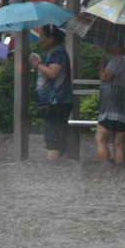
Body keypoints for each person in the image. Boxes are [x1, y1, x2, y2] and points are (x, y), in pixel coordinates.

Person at [29, 25, 73, 160]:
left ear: (51, 38)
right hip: (56, 102)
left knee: (54, 141)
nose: (40, 40)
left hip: (57, 102)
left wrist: (36, 64)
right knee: (56, 138)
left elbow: (53, 73)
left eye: (42, 36)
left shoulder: (57, 53)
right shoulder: (55, 52)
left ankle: (53, 172)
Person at [95, 42, 125, 165]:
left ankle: (105, 171)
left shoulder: (118, 60)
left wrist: (102, 66)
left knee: (101, 140)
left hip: (111, 108)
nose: (109, 46)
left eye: (114, 44)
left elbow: (105, 76)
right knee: (119, 144)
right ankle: (120, 172)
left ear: (121, 46)